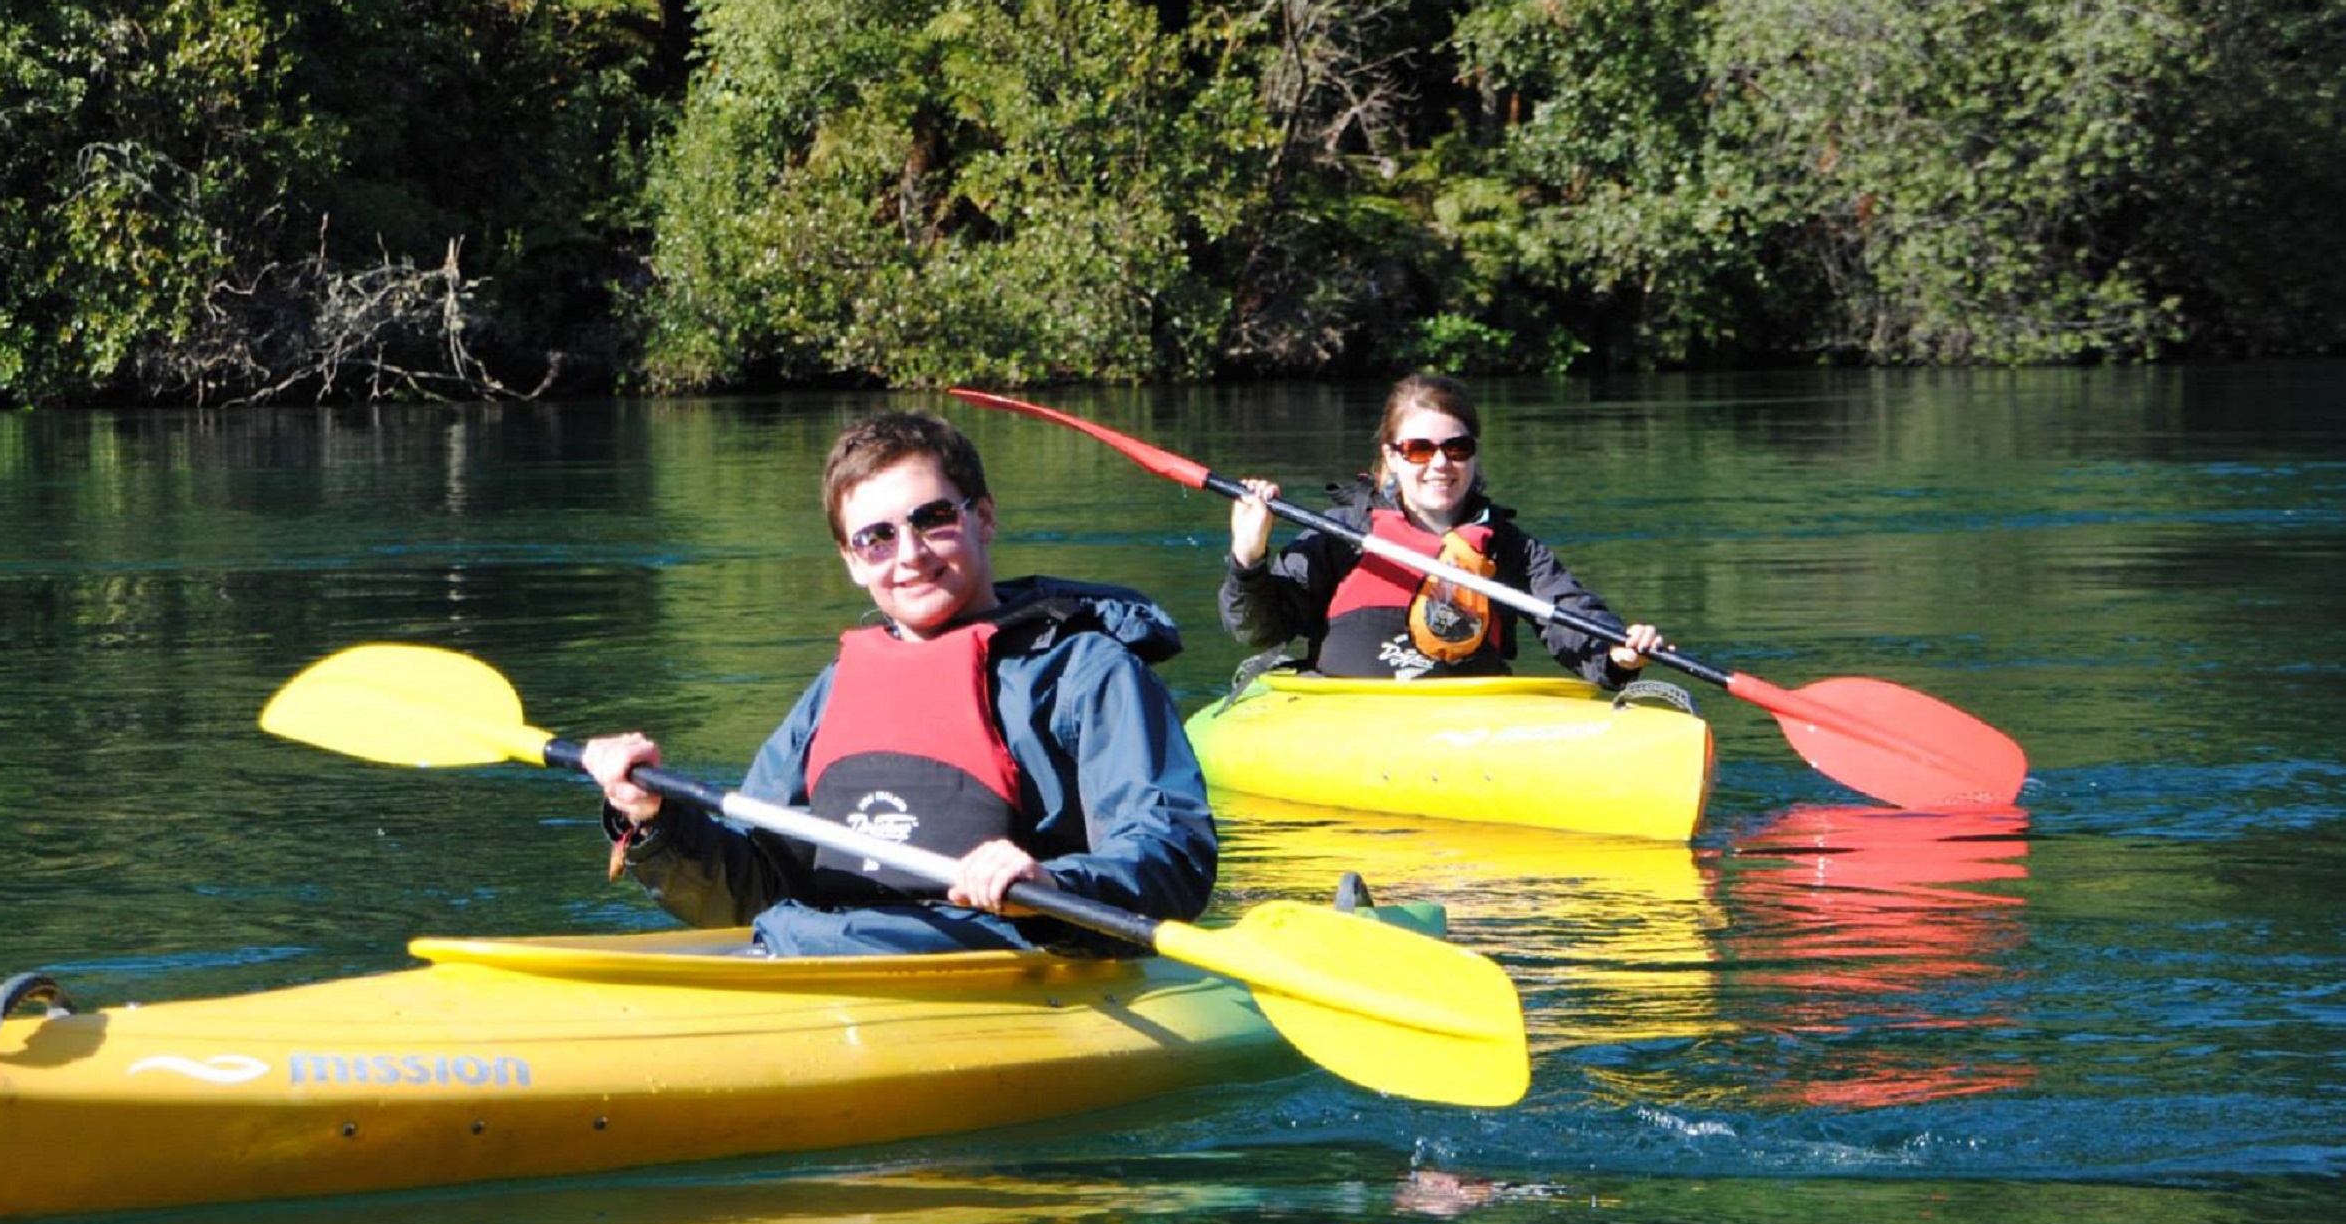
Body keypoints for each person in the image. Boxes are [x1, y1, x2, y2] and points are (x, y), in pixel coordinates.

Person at [580, 410, 1218, 957]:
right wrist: (657, 819)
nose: (910, 554)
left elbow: (1171, 851)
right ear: (853, 562)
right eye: (877, 538)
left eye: (934, 518)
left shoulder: (1086, 672)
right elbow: (754, 885)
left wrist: (1051, 883)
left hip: (1000, 966)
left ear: (984, 517)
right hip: (810, 949)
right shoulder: (835, 690)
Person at [1219, 370, 1666, 685]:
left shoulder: (1509, 548)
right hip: (1351, 718)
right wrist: (1249, 556)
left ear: (1473, 453)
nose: (1439, 464)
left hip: (1466, 722)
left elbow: (1571, 615)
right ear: (1392, 456)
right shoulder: (1340, 534)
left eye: (1456, 448)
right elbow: (1258, 630)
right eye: (1418, 449)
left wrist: (1617, 654)